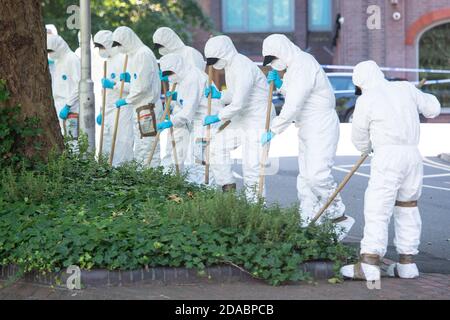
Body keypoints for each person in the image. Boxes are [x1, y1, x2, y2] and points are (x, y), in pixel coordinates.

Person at [340, 61, 441, 281]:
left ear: (361, 83)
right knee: (407, 207)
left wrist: (367, 148)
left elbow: (358, 136)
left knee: (378, 207)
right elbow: (433, 108)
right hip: (412, 157)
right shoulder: (404, 88)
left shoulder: (366, 100)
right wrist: (417, 95)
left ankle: (369, 263)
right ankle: (407, 264)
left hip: (387, 157)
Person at [261, 34, 354, 240]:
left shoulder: (303, 63)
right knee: (305, 179)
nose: (274, 65)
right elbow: (294, 92)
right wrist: (280, 84)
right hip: (307, 126)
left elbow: (294, 103)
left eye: (274, 59)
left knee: (317, 176)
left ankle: (337, 215)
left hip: (320, 124)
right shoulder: (295, 66)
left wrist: (274, 129)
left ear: (283, 51)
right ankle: (308, 222)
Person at [203, 35, 274, 201]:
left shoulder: (242, 65)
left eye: (215, 59)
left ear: (225, 52)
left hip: (258, 118)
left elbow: (238, 103)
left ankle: (255, 209)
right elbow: (234, 94)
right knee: (216, 146)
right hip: (243, 117)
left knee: (252, 166)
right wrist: (219, 95)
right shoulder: (230, 65)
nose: (214, 64)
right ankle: (228, 189)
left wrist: (217, 117)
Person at [156, 53, 221, 184]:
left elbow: (187, 112)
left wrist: (170, 122)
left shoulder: (192, 78)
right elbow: (188, 101)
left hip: (207, 121)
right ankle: (200, 190)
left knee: (202, 160)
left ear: (177, 68)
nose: (169, 78)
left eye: (170, 74)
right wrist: (176, 97)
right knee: (197, 158)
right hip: (198, 120)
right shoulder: (184, 77)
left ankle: (206, 192)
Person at [112, 26, 163, 166]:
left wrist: (126, 100)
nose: (119, 48)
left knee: (148, 146)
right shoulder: (134, 55)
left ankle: (150, 177)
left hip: (148, 108)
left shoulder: (142, 54)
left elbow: (142, 87)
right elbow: (137, 85)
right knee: (141, 145)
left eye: (120, 45)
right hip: (141, 108)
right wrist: (121, 84)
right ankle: (143, 176)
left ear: (127, 41)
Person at [93, 30, 134, 166]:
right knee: (106, 142)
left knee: (121, 143)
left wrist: (115, 85)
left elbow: (134, 87)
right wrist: (101, 110)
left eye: (101, 47)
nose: (100, 51)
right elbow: (104, 92)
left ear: (109, 45)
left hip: (122, 108)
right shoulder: (107, 62)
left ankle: (122, 172)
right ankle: (105, 171)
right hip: (108, 109)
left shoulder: (125, 59)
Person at [47, 34, 80, 138]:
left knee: (72, 141)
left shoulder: (72, 59)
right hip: (59, 105)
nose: (50, 54)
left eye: (51, 51)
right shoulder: (58, 60)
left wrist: (68, 105)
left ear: (58, 47)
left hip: (71, 109)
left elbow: (79, 85)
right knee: (61, 140)